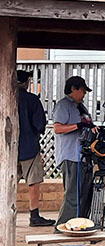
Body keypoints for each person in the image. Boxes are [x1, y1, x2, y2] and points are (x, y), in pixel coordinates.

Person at [54, 76, 95, 227]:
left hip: (84, 157)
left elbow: (86, 125)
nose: (84, 94)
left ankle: (80, 225)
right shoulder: (63, 106)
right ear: (73, 89)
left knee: (85, 194)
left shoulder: (81, 107)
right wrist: (78, 126)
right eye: (83, 91)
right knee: (72, 195)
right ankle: (63, 227)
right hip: (71, 156)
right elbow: (58, 128)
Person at [16, 70, 55, 227]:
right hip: (29, 146)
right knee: (33, 182)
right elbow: (40, 124)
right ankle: (34, 215)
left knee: (6, 181)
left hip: (6, 149)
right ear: (26, 83)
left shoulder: (4, 96)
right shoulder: (32, 100)